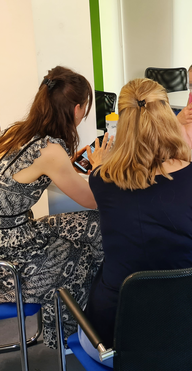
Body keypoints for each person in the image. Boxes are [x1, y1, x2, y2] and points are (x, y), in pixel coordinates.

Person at [82, 78, 192, 367]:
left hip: (114, 340)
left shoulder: (101, 179)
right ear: (168, 115)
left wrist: (99, 165)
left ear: (124, 122)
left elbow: (114, 179)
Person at [0, 66, 113, 348]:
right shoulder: (50, 151)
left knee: (90, 228)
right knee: (86, 246)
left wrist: (67, 161)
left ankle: (73, 327)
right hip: (11, 253)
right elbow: (92, 199)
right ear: (77, 109)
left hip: (12, 232)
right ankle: (71, 333)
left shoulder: (17, 132)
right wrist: (99, 167)